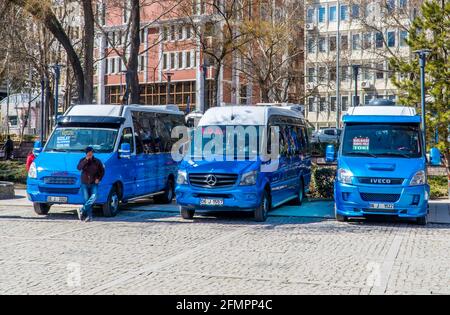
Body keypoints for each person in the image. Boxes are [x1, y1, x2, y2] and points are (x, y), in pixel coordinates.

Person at [77, 147, 105, 222]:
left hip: (93, 183)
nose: (90, 153)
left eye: (91, 152)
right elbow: (79, 168)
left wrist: (98, 179)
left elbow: (102, 171)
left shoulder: (97, 161)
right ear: (86, 153)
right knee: (86, 200)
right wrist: (86, 160)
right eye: (88, 152)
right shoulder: (82, 160)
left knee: (94, 197)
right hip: (85, 183)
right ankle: (89, 216)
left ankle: (82, 210)